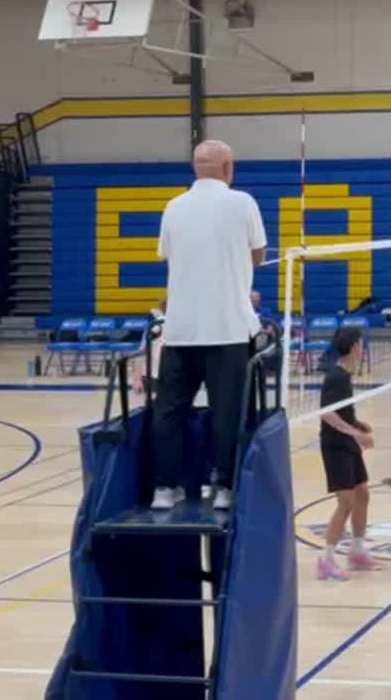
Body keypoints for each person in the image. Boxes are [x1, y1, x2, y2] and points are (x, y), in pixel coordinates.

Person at [152, 140, 268, 513]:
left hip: (180, 329)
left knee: (169, 410)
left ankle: (163, 488)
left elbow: (167, 256)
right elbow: (258, 255)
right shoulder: (243, 203)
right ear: (228, 168)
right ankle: (225, 488)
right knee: (226, 412)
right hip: (227, 328)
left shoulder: (173, 207)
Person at [316, 326, 377, 581]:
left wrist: (357, 424)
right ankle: (326, 559)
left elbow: (341, 411)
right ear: (354, 348)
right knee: (347, 502)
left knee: (362, 494)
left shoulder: (344, 375)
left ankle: (357, 550)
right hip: (335, 446)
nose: (363, 348)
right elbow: (327, 413)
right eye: (361, 344)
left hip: (347, 442)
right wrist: (356, 434)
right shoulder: (336, 377)